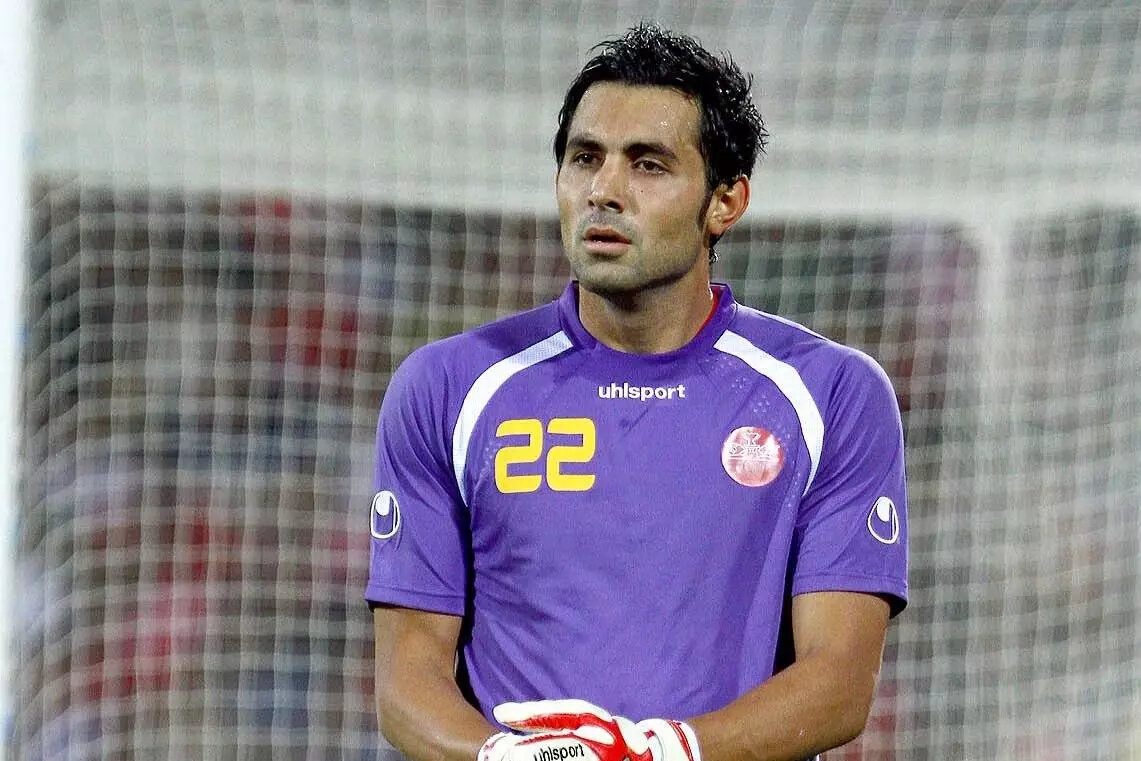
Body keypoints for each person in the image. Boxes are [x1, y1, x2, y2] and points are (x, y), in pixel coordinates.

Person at [366, 23, 908, 761]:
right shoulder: (448, 388)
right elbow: (406, 679)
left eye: (647, 165)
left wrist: (659, 751)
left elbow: (838, 682)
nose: (604, 191)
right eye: (584, 158)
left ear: (725, 202)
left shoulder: (830, 393)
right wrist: (511, 757)